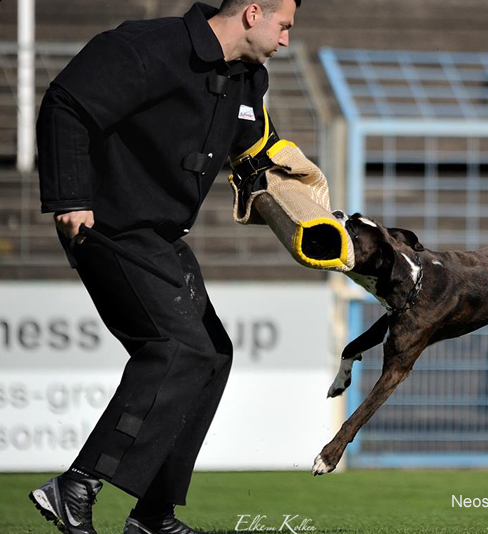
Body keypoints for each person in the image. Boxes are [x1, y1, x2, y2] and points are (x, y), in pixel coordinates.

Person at [29, 2, 300, 534]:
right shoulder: (146, 47)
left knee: (212, 355)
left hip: (160, 236)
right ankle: (75, 487)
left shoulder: (251, 79)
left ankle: (152, 516)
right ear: (252, 14)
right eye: (284, 25)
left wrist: (304, 206)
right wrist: (69, 196)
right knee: (179, 350)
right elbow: (66, 104)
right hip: (106, 222)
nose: (287, 39)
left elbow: (252, 150)